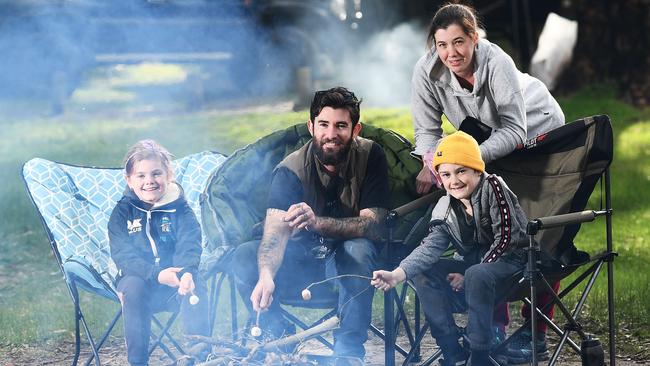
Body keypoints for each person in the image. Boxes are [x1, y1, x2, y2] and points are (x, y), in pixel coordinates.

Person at [410, 4, 563, 361]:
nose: (451, 53)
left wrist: (465, 161)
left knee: (537, 228)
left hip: (536, 132)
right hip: (481, 143)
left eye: (459, 42)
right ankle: (493, 326)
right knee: (485, 226)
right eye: (442, 44)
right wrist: (434, 165)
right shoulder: (426, 69)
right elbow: (427, 132)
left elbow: (514, 128)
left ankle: (536, 331)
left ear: (474, 38)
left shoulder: (497, 63)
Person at [231, 86, 389, 361]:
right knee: (244, 256)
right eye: (324, 124)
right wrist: (266, 275)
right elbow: (273, 236)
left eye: (341, 125)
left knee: (360, 249)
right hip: (301, 261)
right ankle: (281, 339)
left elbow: (372, 225)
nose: (331, 134)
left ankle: (348, 354)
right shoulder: (290, 169)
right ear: (311, 126)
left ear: (356, 129)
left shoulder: (371, 156)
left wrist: (317, 223)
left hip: (347, 263)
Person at [372, 131, 529, 366]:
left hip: (514, 263)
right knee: (425, 270)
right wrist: (396, 274)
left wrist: (468, 274)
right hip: (475, 268)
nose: (454, 180)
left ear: (477, 169)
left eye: (461, 171)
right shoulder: (445, 206)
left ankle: (479, 356)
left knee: (477, 273)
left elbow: (507, 239)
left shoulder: (493, 187)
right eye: (446, 174)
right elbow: (428, 249)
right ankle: (451, 349)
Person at [108, 140, 210, 366]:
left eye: (156, 174)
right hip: (139, 281)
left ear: (168, 175)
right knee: (132, 287)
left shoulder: (180, 209)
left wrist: (185, 272)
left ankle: (200, 357)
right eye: (141, 176)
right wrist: (156, 274)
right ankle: (138, 362)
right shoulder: (122, 213)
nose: (149, 181)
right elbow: (123, 256)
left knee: (195, 283)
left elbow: (189, 244)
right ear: (129, 180)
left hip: (175, 282)